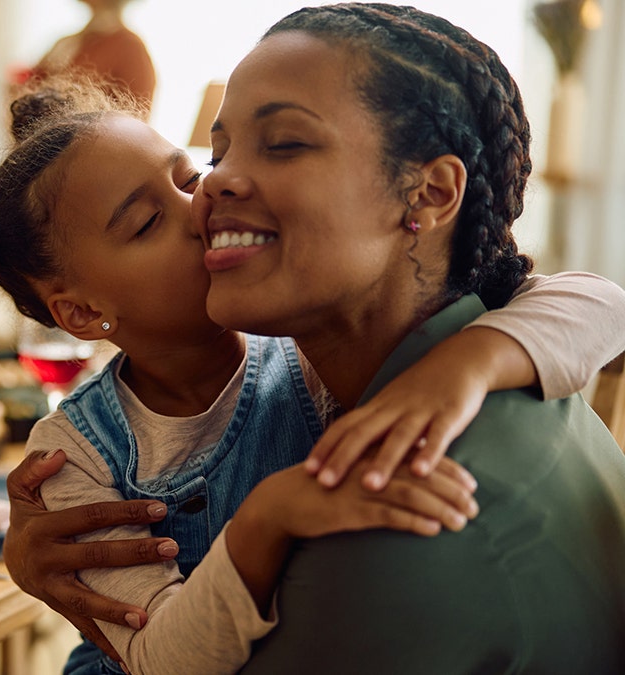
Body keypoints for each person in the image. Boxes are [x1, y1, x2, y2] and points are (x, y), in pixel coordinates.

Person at [0, 77, 625, 673]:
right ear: (81, 313)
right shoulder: (73, 458)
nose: (199, 205)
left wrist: (473, 358)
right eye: (145, 222)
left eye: (187, 174)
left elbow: (604, 305)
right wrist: (271, 515)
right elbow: (161, 656)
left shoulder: (304, 343)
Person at [194, 4, 625, 672]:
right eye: (218, 150)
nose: (215, 177)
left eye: (283, 143)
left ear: (429, 193)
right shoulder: (493, 364)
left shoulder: (402, 505)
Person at [27, 0, 156, 118]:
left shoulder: (129, 46)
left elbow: (139, 115)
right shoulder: (69, 42)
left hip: (93, 140)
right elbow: (32, 88)